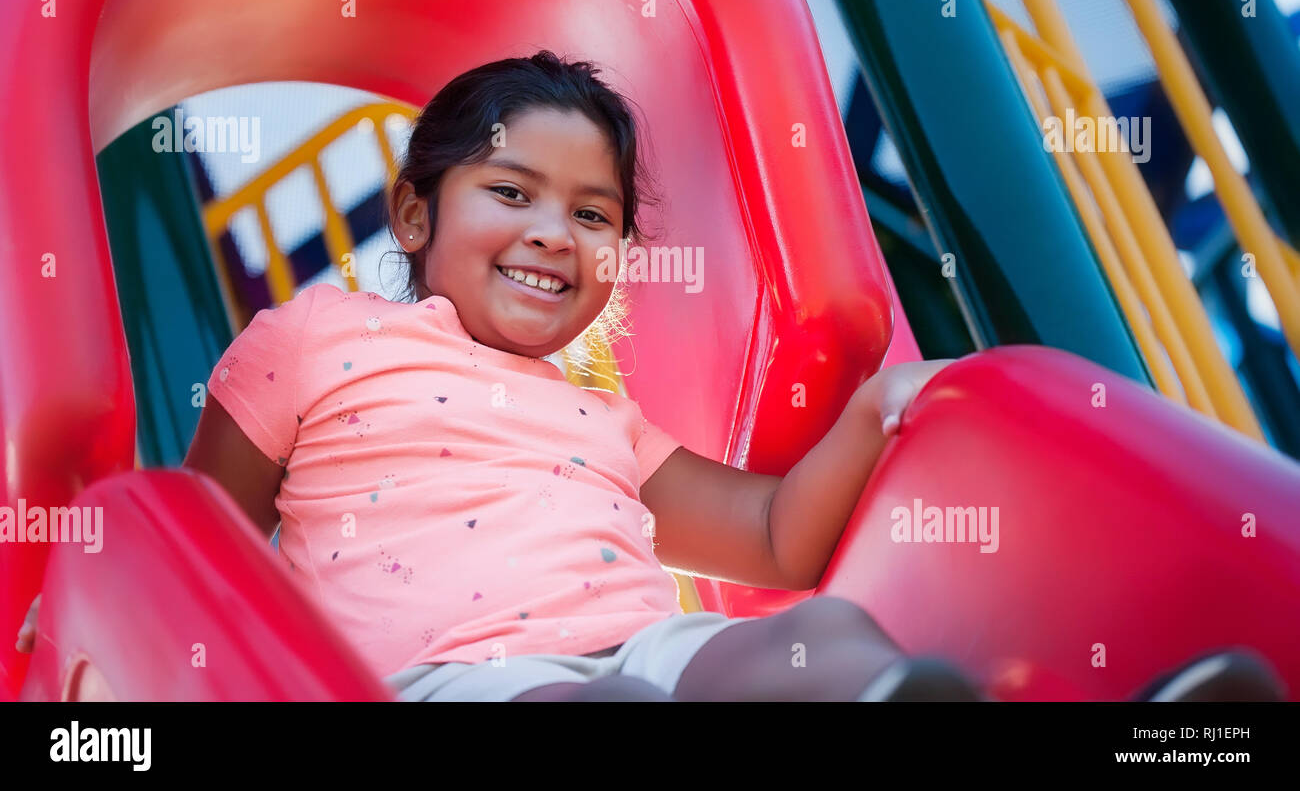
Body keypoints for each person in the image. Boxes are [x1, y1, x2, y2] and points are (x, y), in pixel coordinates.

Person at [13, 52, 1289, 702]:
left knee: (814, 637)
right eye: (509, 194)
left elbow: (778, 535)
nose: (554, 234)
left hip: (639, 646)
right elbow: (207, 543)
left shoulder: (597, 412)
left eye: (595, 211)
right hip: (450, 682)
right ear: (413, 212)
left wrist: (870, 412)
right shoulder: (314, 339)